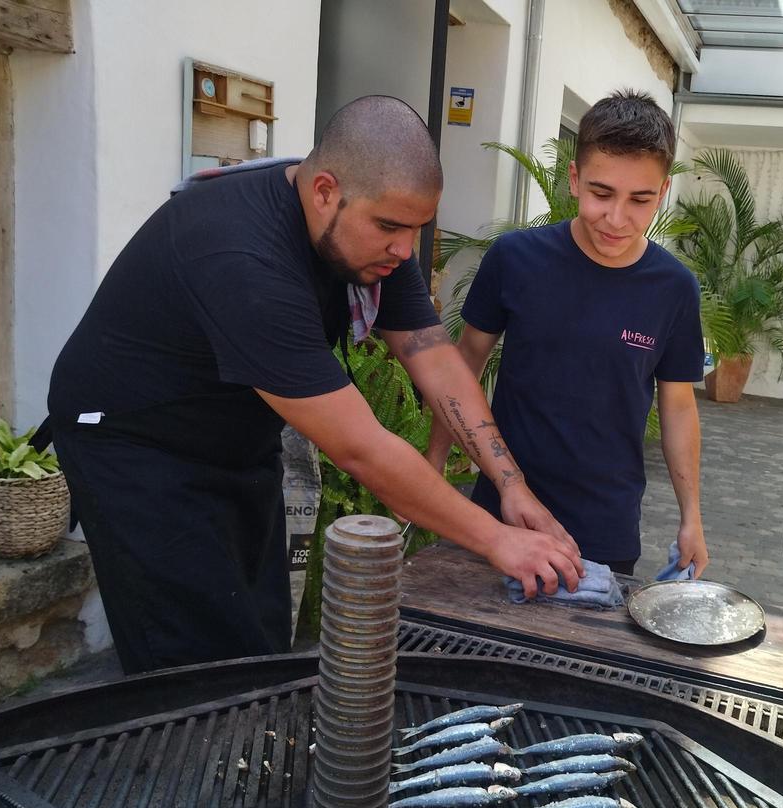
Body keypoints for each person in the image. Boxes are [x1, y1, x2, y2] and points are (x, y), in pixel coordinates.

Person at [47, 96, 582, 675]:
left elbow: (432, 355)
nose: (405, 251)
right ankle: (196, 754)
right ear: (324, 189)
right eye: (390, 228)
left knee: (258, 627)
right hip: (136, 443)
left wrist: (510, 484)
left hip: (230, 430)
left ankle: (246, 737)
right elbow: (361, 448)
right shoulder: (243, 258)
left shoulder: (370, 229)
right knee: (192, 654)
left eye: (416, 230)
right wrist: (497, 541)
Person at [425, 89, 708, 578]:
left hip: (606, 525)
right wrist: (432, 465)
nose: (617, 219)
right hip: (503, 508)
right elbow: (463, 364)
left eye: (640, 200)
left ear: (662, 194)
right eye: (602, 193)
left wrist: (692, 516)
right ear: (574, 180)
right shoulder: (516, 259)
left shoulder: (675, 289)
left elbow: (678, 403)